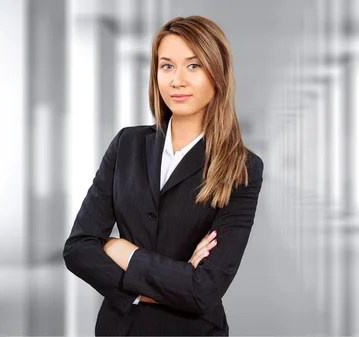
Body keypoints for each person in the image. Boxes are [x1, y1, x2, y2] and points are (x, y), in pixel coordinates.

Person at [62, 15, 264, 336]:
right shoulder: (127, 144)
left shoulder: (241, 167)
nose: (177, 80)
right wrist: (168, 283)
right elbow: (78, 248)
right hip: (120, 328)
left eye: (193, 66)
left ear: (218, 73)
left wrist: (123, 252)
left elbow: (204, 290)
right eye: (167, 66)